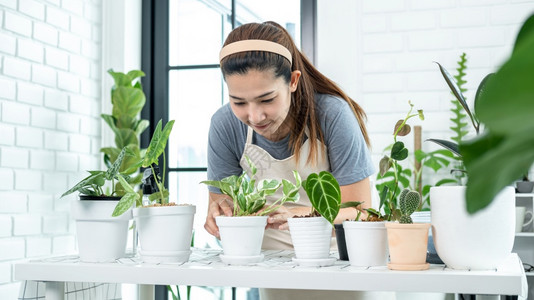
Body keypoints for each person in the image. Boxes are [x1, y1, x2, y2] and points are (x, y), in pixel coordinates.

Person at [204, 21, 392, 300]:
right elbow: (221, 207)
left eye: (266, 99)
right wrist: (220, 219)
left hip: (340, 265)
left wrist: (305, 217)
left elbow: (361, 211)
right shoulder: (224, 125)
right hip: (273, 269)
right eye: (239, 102)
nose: (254, 117)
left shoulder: (331, 115)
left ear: (292, 81)